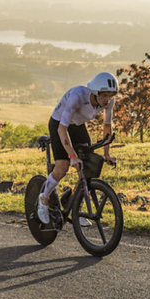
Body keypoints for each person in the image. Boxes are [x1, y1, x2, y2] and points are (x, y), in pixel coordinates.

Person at [37, 72, 118, 226]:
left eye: (111, 95)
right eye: (105, 95)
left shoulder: (109, 102)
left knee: (87, 168)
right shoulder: (77, 96)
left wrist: (107, 154)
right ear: (95, 92)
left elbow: (107, 126)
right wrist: (72, 156)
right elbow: (62, 129)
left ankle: (76, 208)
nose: (108, 100)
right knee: (62, 168)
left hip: (78, 127)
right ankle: (44, 198)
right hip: (59, 124)